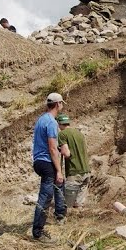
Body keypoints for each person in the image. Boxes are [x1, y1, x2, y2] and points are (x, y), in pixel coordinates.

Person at [31, 92, 67, 242]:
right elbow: (52, 148)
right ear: (58, 104)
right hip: (46, 162)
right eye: (62, 103)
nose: (62, 106)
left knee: (59, 185)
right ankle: (37, 232)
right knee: (45, 197)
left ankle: (60, 214)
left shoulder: (42, 119)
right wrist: (59, 170)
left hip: (38, 160)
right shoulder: (51, 122)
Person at [56, 115, 91, 208]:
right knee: (79, 205)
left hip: (74, 172)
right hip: (86, 171)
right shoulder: (79, 134)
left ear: (59, 123)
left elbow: (66, 153)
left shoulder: (62, 134)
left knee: (67, 205)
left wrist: (59, 149)